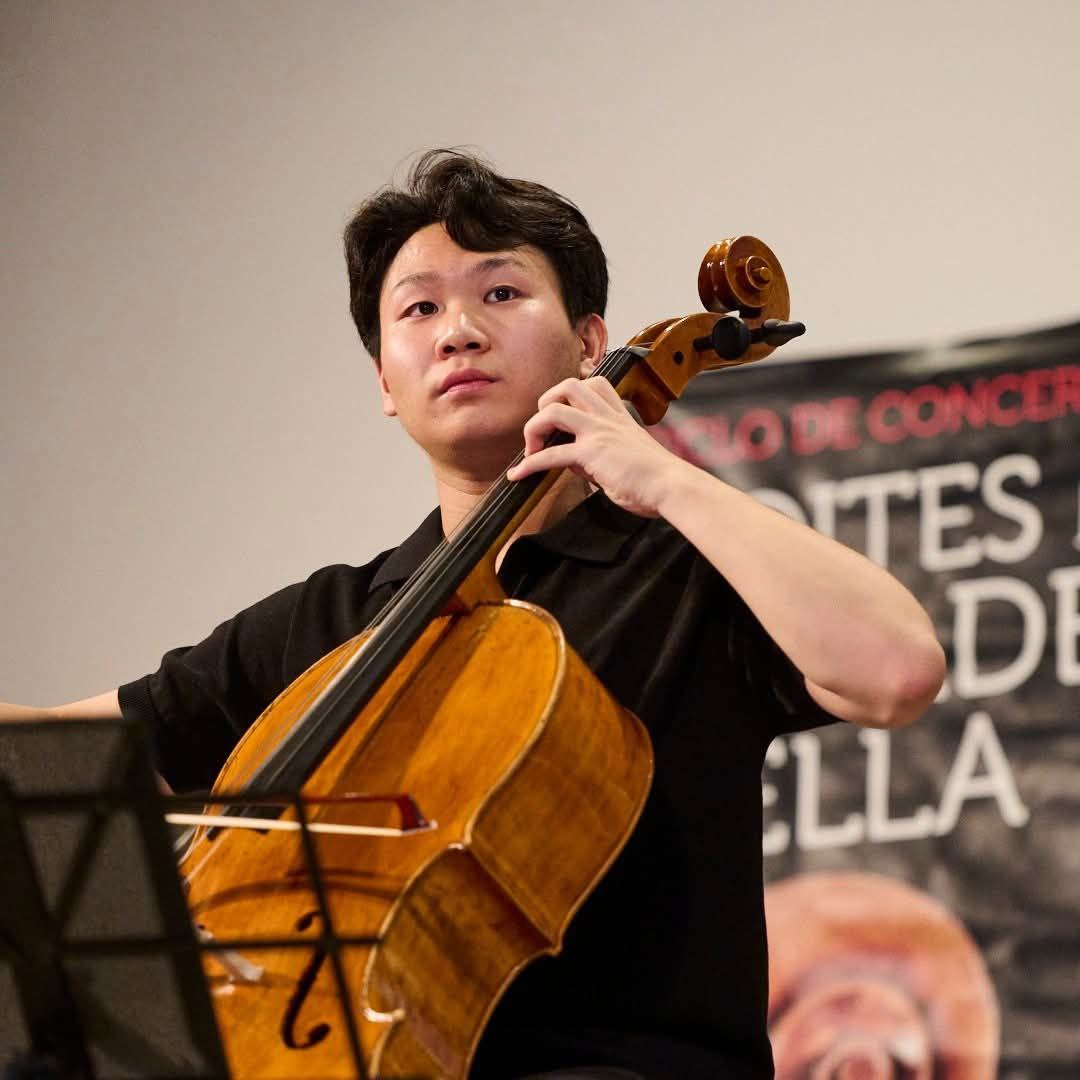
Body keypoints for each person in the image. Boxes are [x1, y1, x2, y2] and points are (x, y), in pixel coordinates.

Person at [2, 150, 946, 1078]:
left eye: (499, 294)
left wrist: (662, 477)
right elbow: (54, 763)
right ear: (384, 381)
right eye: (418, 308)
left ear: (589, 345)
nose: (457, 330)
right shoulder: (327, 622)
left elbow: (897, 669)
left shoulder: (685, 572)